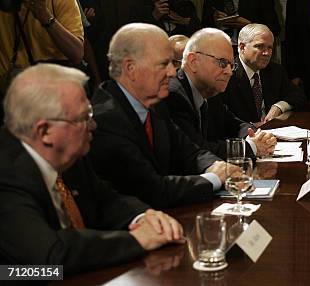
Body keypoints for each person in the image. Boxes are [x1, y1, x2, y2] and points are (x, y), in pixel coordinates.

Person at [0, 63, 183, 274]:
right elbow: (48, 258)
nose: (94, 125)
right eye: (83, 118)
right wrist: (136, 240)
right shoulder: (7, 175)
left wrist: (145, 217)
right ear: (45, 131)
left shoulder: (68, 154)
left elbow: (107, 201)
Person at [90, 23, 231, 208]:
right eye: (164, 64)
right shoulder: (106, 119)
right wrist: (214, 178)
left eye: (172, 64)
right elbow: (152, 190)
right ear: (130, 68)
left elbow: (189, 151)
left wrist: (214, 166)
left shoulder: (154, 106)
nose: (173, 72)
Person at [165, 27, 276, 158]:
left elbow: (234, 124)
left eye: (231, 65)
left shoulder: (210, 90)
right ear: (193, 61)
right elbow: (196, 149)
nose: (229, 72)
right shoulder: (172, 95)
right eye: (222, 63)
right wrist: (251, 147)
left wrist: (257, 135)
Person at [222, 24, 306, 124]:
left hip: (273, 134)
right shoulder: (226, 74)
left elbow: (298, 95)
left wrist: (279, 106)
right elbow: (223, 119)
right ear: (242, 47)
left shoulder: (275, 71)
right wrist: (252, 128)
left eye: (270, 48)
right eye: (260, 46)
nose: (267, 53)